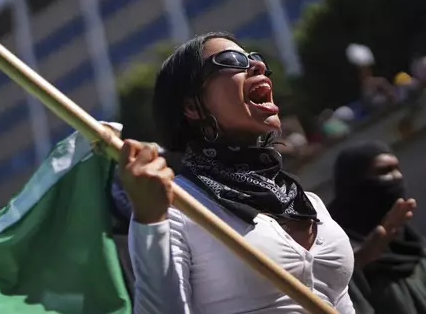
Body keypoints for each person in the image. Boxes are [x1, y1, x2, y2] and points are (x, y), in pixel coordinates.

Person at [117, 32, 356, 313]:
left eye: (257, 59)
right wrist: (150, 221)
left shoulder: (307, 202)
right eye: (231, 60)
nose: (257, 67)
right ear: (192, 107)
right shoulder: (174, 207)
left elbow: (341, 301)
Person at [328, 142, 424, 314]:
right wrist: (363, 259)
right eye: (384, 171)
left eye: (397, 168)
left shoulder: (410, 242)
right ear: (354, 182)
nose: (396, 176)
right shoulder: (336, 248)